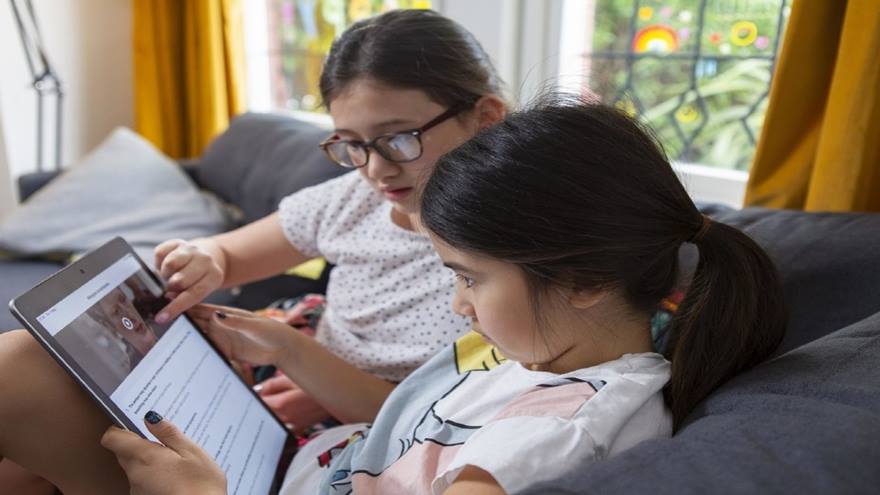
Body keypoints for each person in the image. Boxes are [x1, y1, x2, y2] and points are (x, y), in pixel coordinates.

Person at [98, 97, 787, 494]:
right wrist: (282, 343)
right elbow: (412, 418)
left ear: (585, 280)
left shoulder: (557, 431)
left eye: (469, 277)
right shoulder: (542, 348)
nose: (459, 303)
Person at [0, 9, 506, 494]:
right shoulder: (354, 198)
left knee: (25, 388)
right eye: (352, 144)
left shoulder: (505, 254)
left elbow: (431, 412)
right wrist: (202, 259)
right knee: (22, 457)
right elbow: (228, 254)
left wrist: (298, 360)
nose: (374, 169)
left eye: (397, 139)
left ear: (485, 117)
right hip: (282, 370)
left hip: (352, 422)